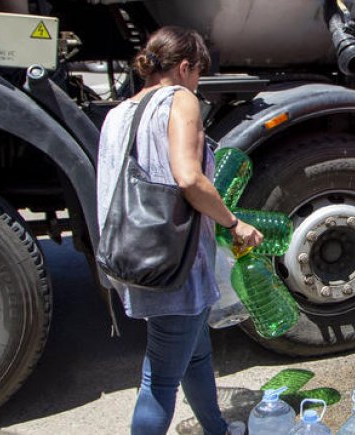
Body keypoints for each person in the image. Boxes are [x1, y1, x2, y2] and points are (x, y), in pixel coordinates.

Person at [96, 26, 262, 435]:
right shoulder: (179, 99)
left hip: (138, 252)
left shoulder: (119, 112)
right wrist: (234, 223)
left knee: (196, 354)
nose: (198, 83)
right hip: (176, 260)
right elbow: (189, 178)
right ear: (185, 66)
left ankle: (216, 428)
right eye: (198, 73)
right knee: (160, 379)